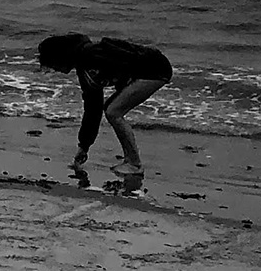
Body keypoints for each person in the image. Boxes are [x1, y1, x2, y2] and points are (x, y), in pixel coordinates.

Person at [37, 33, 173, 189]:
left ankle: (134, 164)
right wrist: (84, 146)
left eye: (52, 64)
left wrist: (123, 83)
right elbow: (92, 109)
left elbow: (126, 60)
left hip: (155, 70)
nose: (56, 69)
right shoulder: (85, 67)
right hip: (155, 67)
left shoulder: (92, 55)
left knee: (113, 111)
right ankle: (130, 161)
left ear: (60, 57)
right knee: (111, 109)